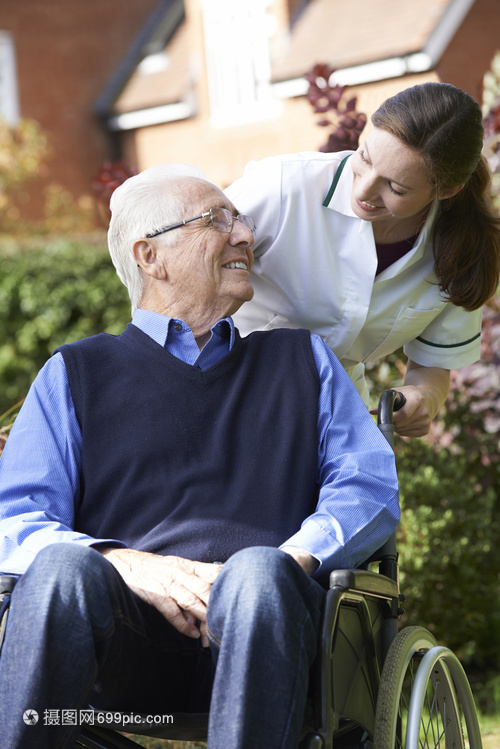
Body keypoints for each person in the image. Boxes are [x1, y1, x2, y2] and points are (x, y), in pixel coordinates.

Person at [0, 164, 399, 749]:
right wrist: (132, 566)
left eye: (241, 220)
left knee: (258, 573)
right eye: (219, 220)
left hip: (274, 629)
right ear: (150, 256)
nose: (246, 236)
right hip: (127, 645)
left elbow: (366, 487)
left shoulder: (302, 360)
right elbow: (14, 520)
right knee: (62, 570)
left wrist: (284, 563)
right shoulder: (75, 374)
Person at [225, 82, 500, 438]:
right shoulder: (283, 187)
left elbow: (432, 366)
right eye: (365, 158)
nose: (364, 190)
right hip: (228, 398)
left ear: (446, 190)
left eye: (396, 188)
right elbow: (175, 270)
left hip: (336, 424)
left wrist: (423, 397)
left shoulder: (460, 247)